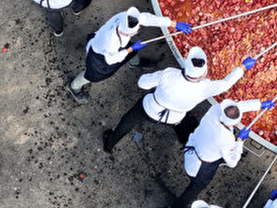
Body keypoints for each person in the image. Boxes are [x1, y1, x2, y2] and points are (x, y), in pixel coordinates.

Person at [102, 46, 251, 152]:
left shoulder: (169, 74)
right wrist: (242, 67)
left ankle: (109, 143)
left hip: (149, 108)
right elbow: (226, 84)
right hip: (174, 117)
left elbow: (142, 83)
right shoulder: (205, 87)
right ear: (202, 74)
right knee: (184, 124)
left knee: (128, 121)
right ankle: (186, 142)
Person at [165, 99, 266, 208]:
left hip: (195, 143)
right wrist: (239, 141)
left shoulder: (216, 109)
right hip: (200, 166)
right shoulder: (225, 138)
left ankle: (177, 126)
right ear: (233, 124)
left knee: (192, 132)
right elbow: (233, 162)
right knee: (194, 189)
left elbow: (235, 107)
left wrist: (258, 104)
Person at [66, 6, 187, 102]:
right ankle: (74, 86)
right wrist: (130, 49)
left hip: (110, 44)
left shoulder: (124, 17)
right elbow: (112, 60)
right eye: (137, 29)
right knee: (93, 75)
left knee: (132, 51)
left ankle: (134, 62)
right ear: (128, 32)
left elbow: (147, 18)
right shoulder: (111, 42)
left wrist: (173, 24)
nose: (139, 27)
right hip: (99, 56)